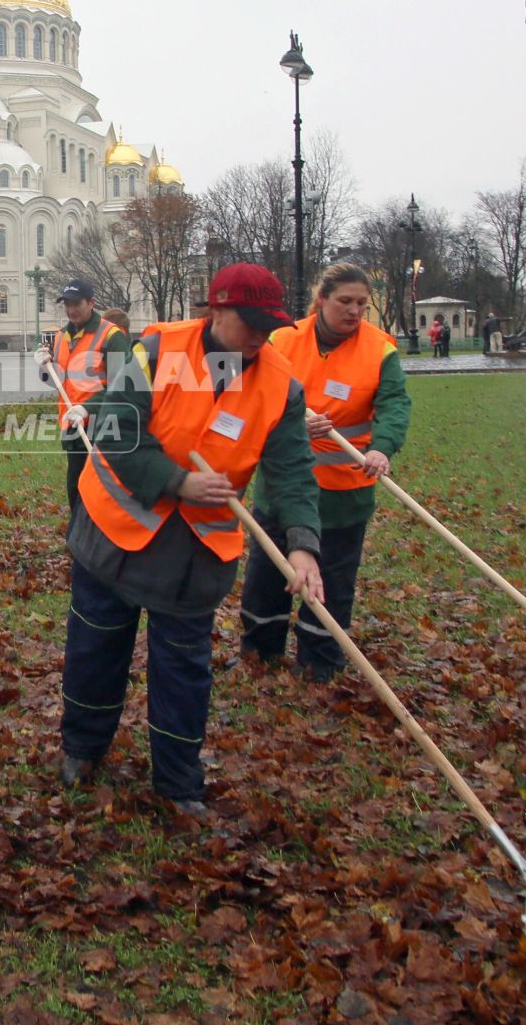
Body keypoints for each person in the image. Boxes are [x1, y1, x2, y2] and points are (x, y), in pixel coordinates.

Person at [59, 263, 322, 813]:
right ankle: (82, 748)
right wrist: (177, 481)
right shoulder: (153, 351)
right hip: (113, 530)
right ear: (216, 309)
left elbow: (294, 469)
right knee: (96, 649)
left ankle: (178, 782)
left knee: (183, 668)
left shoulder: (280, 385)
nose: (257, 338)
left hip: (195, 551)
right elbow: (116, 430)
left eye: (266, 327)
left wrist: (301, 543)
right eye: (247, 323)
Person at [240, 263, 410, 681]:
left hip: (343, 492)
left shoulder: (380, 349)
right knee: (267, 574)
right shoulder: (282, 340)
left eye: (361, 305)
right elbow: (251, 393)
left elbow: (394, 405)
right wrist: (293, 422)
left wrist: (381, 449)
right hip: (282, 485)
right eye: (345, 302)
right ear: (322, 299)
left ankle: (320, 661)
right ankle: (260, 653)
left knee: (332, 580)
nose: (354, 312)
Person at [33, 278, 128, 507]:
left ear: (91, 302)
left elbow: (121, 385)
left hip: (104, 426)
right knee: (76, 488)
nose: (71, 310)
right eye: (67, 304)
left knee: (103, 489)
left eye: (76, 304)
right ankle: (78, 538)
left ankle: (106, 538)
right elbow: (59, 382)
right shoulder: (60, 337)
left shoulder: (112, 336)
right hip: (73, 426)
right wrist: (45, 368)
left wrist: (87, 408)